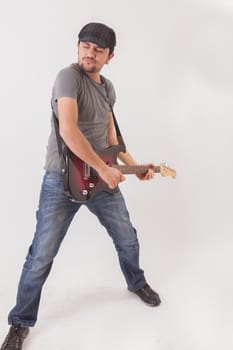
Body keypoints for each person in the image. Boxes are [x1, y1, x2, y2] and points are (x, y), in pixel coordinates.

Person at [1, 22, 161, 350]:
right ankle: (20, 323)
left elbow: (111, 138)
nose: (90, 52)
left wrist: (136, 166)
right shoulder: (67, 77)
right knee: (41, 255)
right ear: (78, 46)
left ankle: (136, 283)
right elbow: (69, 131)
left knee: (127, 239)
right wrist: (104, 168)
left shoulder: (108, 88)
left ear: (110, 56)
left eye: (98, 49)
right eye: (86, 45)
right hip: (61, 179)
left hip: (100, 178)